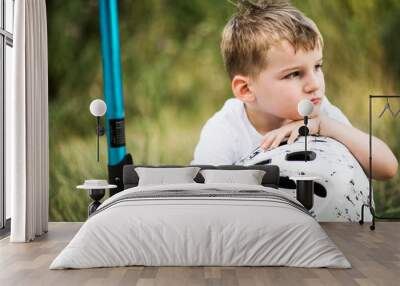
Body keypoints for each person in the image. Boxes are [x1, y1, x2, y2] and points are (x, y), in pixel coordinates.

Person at [191, 0, 397, 180]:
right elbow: (204, 197)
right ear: (246, 89)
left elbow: (387, 168)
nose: (314, 84)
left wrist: (323, 126)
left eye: (318, 67)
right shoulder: (227, 130)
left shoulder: (321, 113)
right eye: (294, 74)